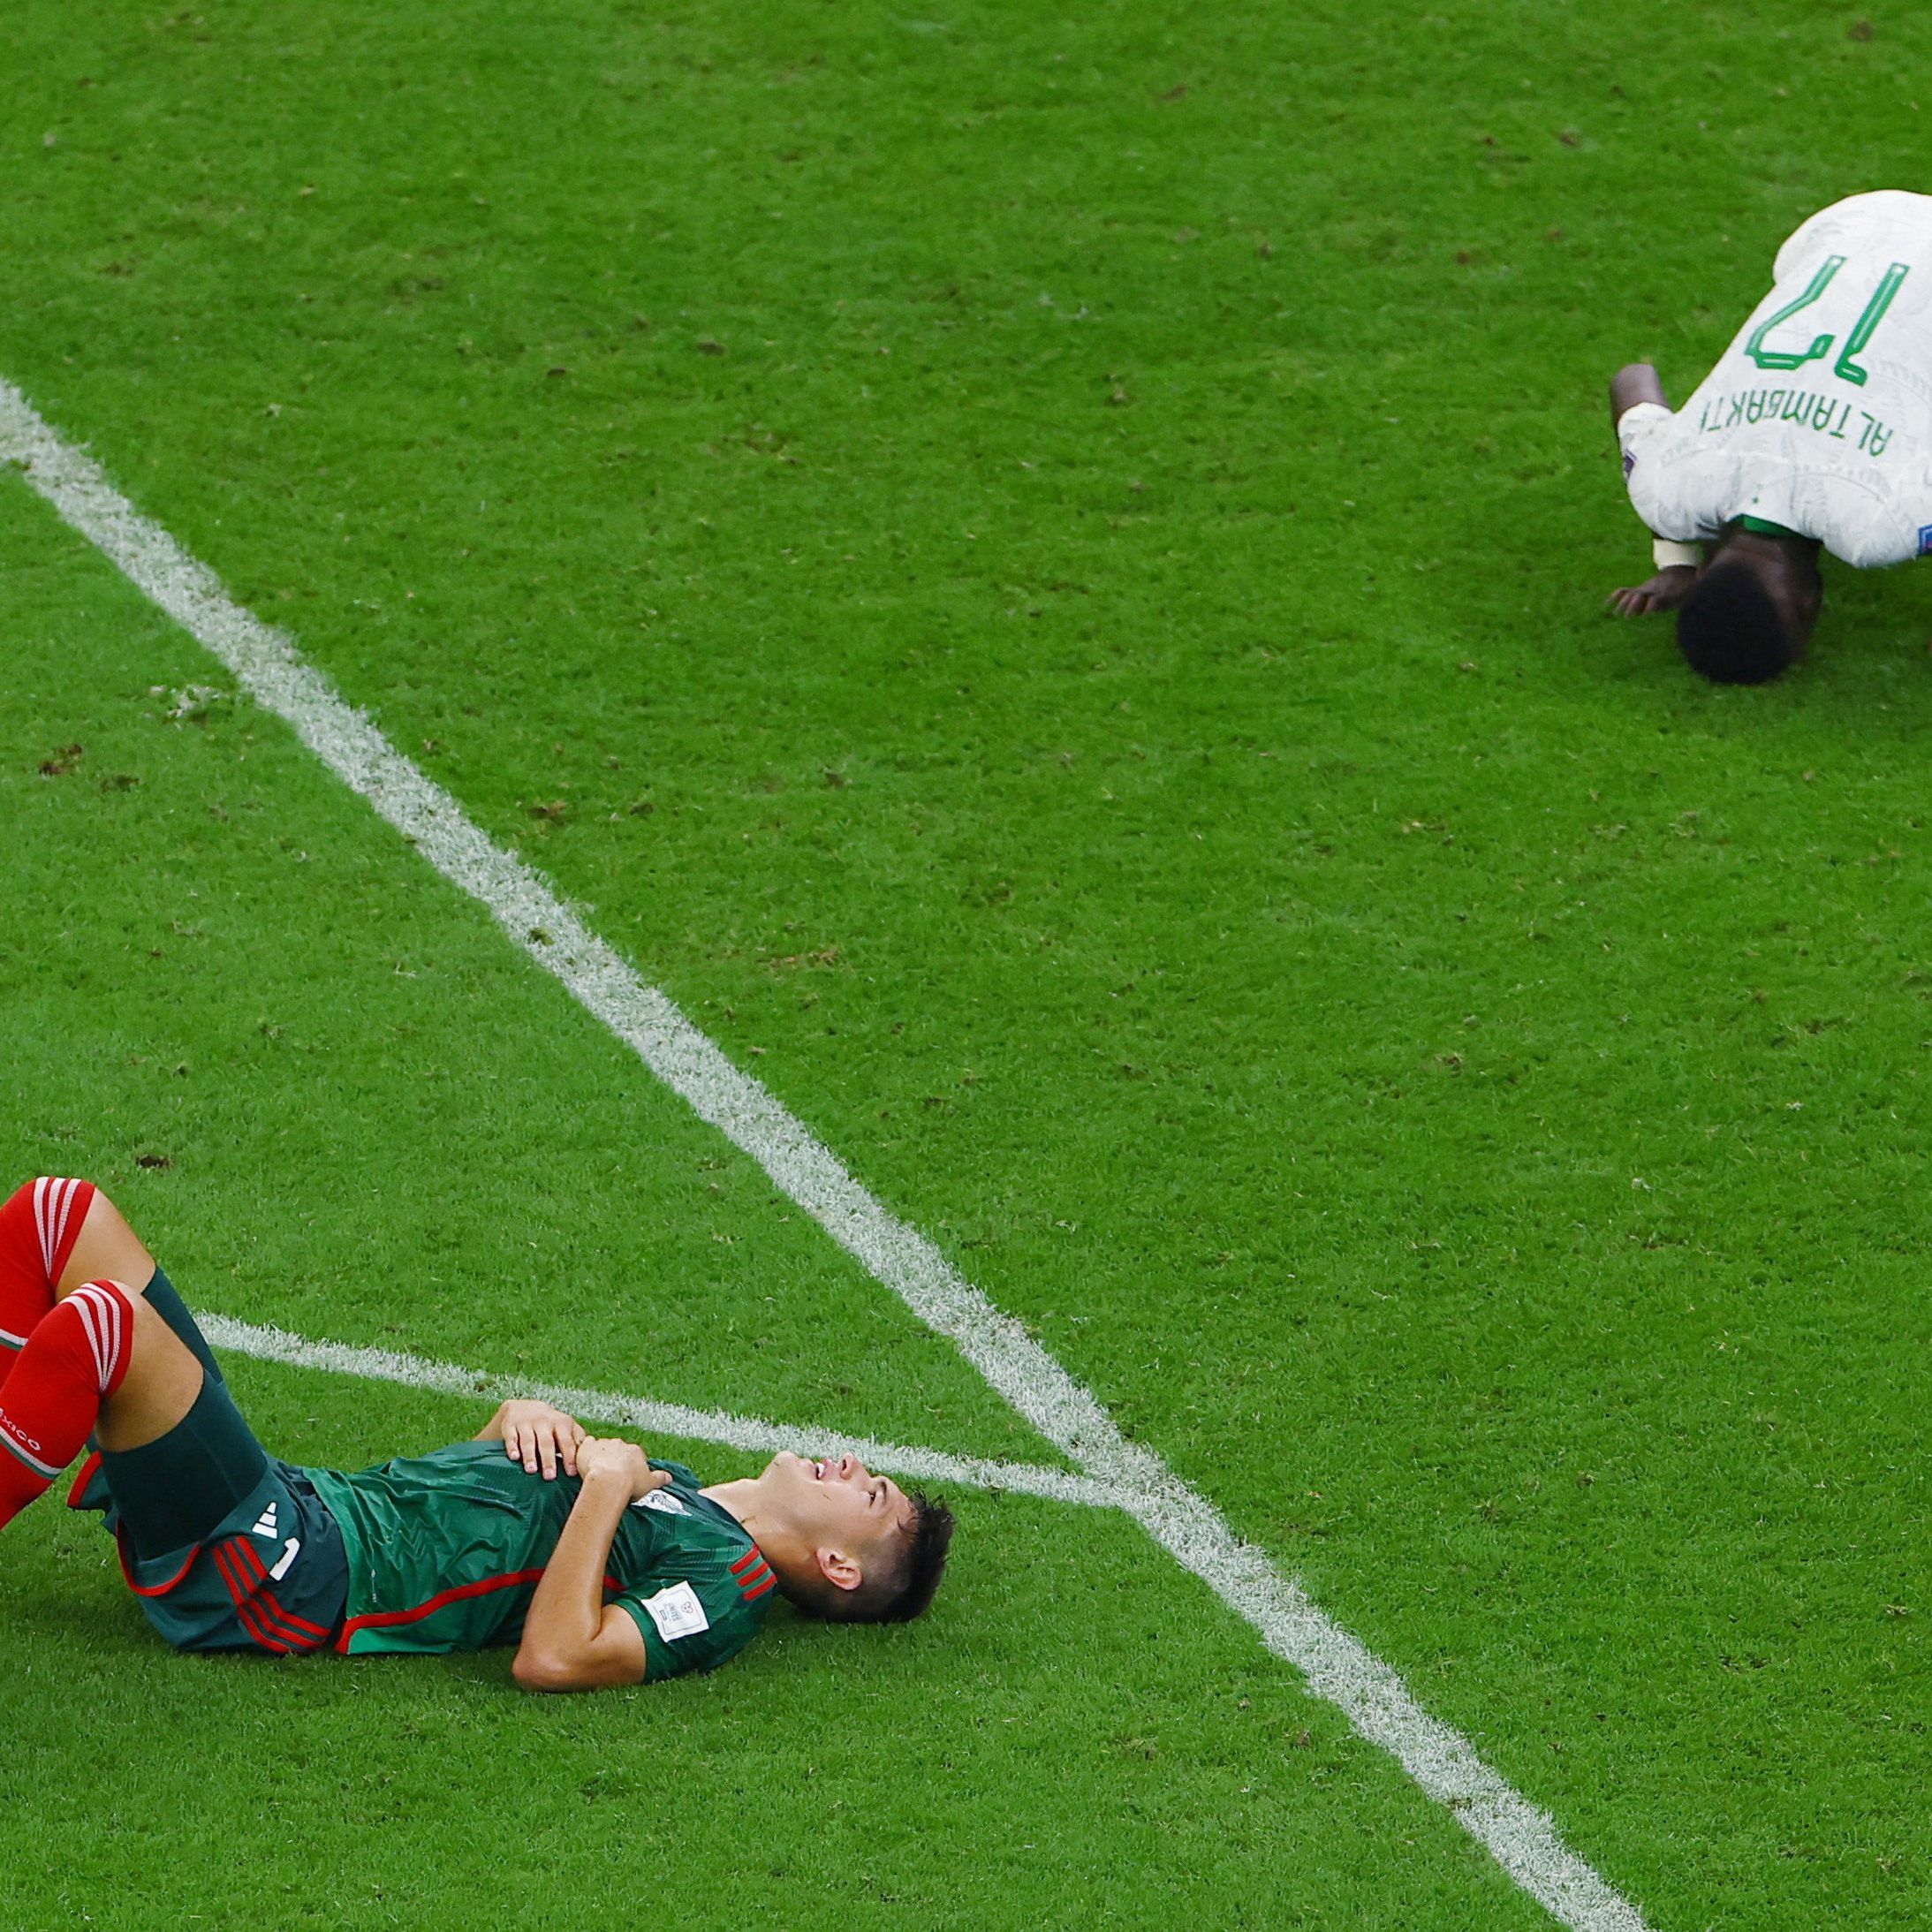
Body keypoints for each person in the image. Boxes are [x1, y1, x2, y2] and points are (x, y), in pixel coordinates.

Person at [0, 1177, 952, 1687]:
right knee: (59, 1216)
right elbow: (480, 1523)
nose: (851, 1464)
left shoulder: (726, 1583)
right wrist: (513, 1420)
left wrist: (606, 1484)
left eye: (868, 1492)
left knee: (105, 1326)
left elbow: (557, 1656)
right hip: (307, 1500)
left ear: (837, 1566)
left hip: (300, 1571)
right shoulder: (681, 1487)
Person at [1607, 190, 1932, 683]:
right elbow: (1632, 379)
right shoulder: (1667, 489)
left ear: (1810, 605)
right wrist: (1676, 561)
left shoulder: (1877, 523)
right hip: (1849, 224)